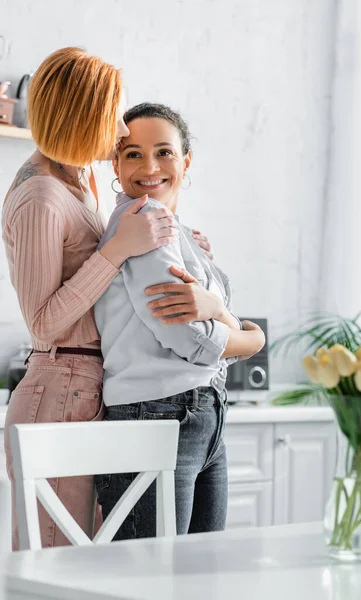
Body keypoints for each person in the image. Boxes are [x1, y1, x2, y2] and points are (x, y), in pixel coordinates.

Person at [1, 49, 210, 550]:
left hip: (90, 389)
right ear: (82, 116)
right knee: (61, 569)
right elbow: (45, 325)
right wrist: (118, 249)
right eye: (110, 112)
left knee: (101, 569)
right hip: (59, 393)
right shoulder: (41, 198)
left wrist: (177, 240)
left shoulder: (79, 180)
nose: (120, 129)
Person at [94, 103, 266, 539]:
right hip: (156, 415)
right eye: (132, 153)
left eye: (164, 152)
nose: (149, 166)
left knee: (197, 578)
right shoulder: (144, 222)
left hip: (198, 413)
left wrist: (221, 314)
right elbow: (188, 336)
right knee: (152, 581)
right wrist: (253, 340)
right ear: (115, 163)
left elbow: (209, 315)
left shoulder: (177, 230)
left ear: (186, 160)